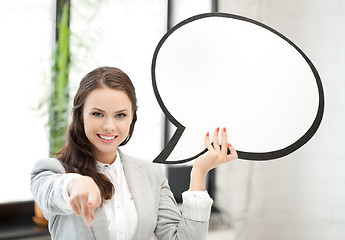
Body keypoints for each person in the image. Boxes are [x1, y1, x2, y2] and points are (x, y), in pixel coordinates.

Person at [31, 66, 238, 240]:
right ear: (81, 116)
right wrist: (75, 184)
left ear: (132, 118)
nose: (109, 126)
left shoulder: (150, 174)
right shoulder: (53, 171)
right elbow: (50, 192)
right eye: (97, 114)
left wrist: (199, 173)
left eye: (120, 115)